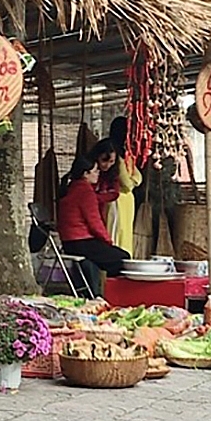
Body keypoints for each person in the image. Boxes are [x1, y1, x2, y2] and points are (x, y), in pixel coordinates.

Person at [58, 155, 130, 293]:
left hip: (69, 243)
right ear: (85, 174)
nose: (98, 174)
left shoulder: (71, 188)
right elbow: (94, 222)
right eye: (95, 171)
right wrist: (107, 240)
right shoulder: (85, 192)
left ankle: (95, 292)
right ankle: (115, 294)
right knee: (122, 258)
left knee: (107, 256)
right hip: (81, 242)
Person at [107, 117, 142, 255]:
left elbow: (139, 177)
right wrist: (132, 181)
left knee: (127, 233)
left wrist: (132, 181)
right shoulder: (114, 155)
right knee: (117, 233)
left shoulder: (126, 155)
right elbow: (127, 183)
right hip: (117, 199)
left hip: (128, 201)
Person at [87, 139, 119, 222]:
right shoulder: (88, 170)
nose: (108, 165)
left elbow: (115, 193)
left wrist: (95, 198)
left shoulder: (112, 173)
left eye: (111, 161)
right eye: (104, 160)